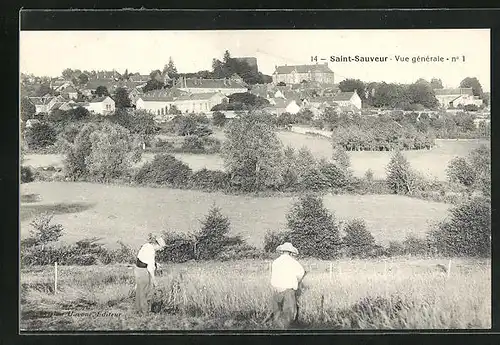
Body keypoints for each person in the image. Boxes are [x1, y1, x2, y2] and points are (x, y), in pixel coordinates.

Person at [270, 242, 306, 329]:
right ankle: (286, 332)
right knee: (288, 314)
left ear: (282, 251)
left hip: (276, 289)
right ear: (290, 252)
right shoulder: (294, 263)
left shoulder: (275, 262)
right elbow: (301, 274)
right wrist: (296, 281)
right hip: (288, 290)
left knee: (277, 312)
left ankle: (277, 330)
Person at [134, 236, 166, 314]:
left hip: (138, 269)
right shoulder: (151, 251)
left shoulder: (146, 245)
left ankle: (139, 310)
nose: (161, 250)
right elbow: (150, 267)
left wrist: (155, 264)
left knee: (140, 290)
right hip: (143, 271)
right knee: (144, 292)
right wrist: (154, 280)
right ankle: (144, 312)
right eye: (161, 248)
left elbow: (144, 259)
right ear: (156, 244)